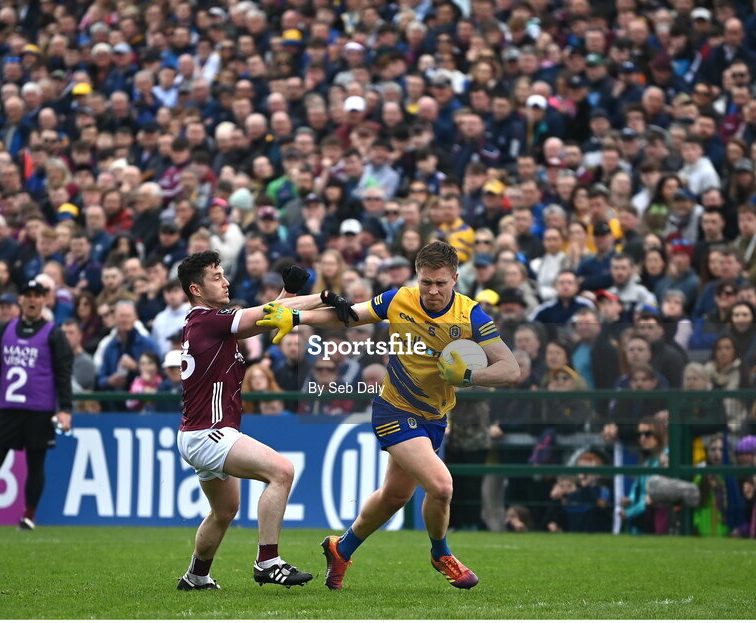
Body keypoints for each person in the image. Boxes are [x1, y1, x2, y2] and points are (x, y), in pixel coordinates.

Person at [259, 241, 521, 590]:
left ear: (455, 278)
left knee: (395, 496)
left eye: (441, 283)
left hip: (434, 416)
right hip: (393, 409)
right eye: (426, 282)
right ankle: (440, 553)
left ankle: (342, 548)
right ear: (417, 276)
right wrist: (296, 316)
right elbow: (348, 315)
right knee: (441, 486)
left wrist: (470, 376)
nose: (432, 290)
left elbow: (510, 368)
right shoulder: (399, 299)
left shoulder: (471, 315)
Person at [173, 252, 317, 590]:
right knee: (281, 471)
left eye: (224, 274)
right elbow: (267, 314)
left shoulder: (208, 323)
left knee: (224, 512)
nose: (225, 282)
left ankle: (196, 576)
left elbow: (267, 318)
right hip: (210, 433)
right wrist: (324, 298)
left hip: (197, 434)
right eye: (216, 277)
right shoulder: (209, 319)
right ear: (195, 288)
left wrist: (290, 294)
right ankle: (268, 561)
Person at [0, 280, 74, 532]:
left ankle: (28, 517)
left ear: (44, 300)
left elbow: (63, 372)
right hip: (8, 408)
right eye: (27, 295)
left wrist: (65, 408)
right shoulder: (5, 330)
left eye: (36, 296)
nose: (31, 300)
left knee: (35, 464)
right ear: (20, 299)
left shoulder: (53, 333)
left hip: (39, 410)